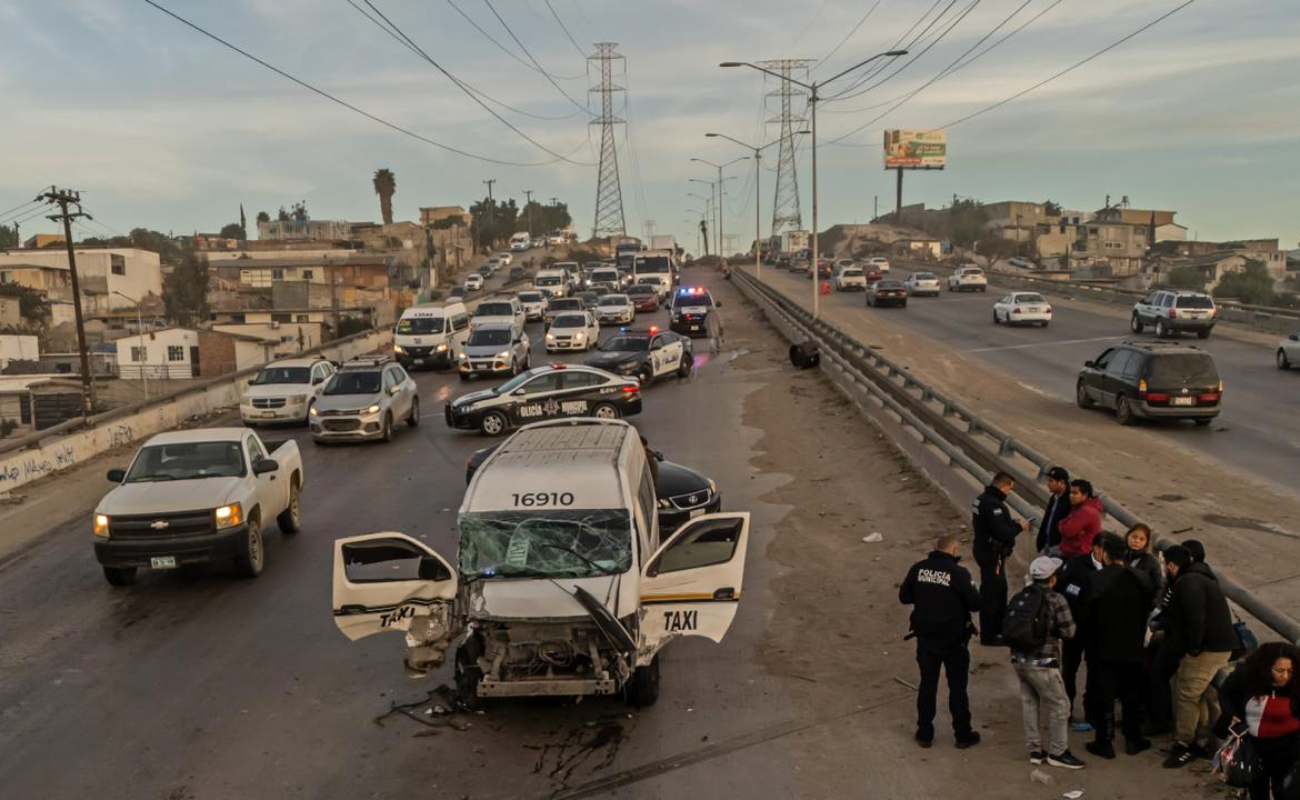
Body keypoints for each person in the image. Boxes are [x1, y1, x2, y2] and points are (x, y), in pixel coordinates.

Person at [899, 535, 982, 749]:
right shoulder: (959, 573)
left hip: (926, 639)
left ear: (935, 548)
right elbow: (975, 604)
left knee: (927, 685)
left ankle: (925, 733)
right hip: (954, 640)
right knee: (957, 688)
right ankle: (962, 734)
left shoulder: (918, 568)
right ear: (954, 550)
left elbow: (904, 597)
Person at [1163, 544, 1239, 768]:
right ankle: (1202, 740)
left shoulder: (1188, 582)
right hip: (1217, 647)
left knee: (1187, 695)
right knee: (1202, 694)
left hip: (1206, 650)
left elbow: (1196, 619)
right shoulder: (1201, 576)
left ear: (1171, 565)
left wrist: (1194, 649)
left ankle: (1184, 743)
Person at [1008, 555, 1086, 770]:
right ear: (1052, 579)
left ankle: (1035, 750)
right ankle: (1058, 752)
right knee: (1061, 706)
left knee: (1030, 703)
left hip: (1019, 659)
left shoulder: (1021, 596)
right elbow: (1069, 632)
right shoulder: (1056, 599)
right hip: (1043, 662)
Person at [1084, 533, 1156, 759]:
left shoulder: (1096, 580)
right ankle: (1133, 739)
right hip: (1133, 647)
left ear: (1104, 553)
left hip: (1103, 648)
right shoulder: (1141, 578)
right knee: (1131, 694)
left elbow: (1086, 615)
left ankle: (1104, 741)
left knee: (1105, 694)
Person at [1215, 642, 1300, 800]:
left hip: (1287, 746)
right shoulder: (1246, 676)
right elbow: (1225, 692)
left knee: (1283, 789)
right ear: (1265, 668)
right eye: (1279, 670)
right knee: (1256, 788)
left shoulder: (1296, 683)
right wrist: (1231, 713)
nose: (1285, 676)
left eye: (1290, 671)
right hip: (1253, 746)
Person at [971, 472, 1030, 646]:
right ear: (1003, 486)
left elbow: (993, 525)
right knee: (993, 594)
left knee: (998, 590)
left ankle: (996, 630)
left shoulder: (982, 499)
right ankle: (990, 635)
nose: (1009, 492)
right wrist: (1019, 527)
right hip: (992, 554)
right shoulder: (994, 504)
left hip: (985, 550)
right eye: (1010, 489)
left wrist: (1011, 523)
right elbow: (1002, 533)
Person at [1055, 534, 1105, 731]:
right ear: (1095, 548)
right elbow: (1060, 587)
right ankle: (1065, 711)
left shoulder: (1112, 569)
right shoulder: (1076, 564)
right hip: (1074, 629)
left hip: (1097, 631)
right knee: (1069, 669)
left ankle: (1091, 713)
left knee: (1094, 672)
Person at [1058, 479, 1104, 560]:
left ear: (1085, 495)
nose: (1071, 496)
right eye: (1070, 493)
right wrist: (1064, 524)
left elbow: (1067, 531)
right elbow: (1064, 524)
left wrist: (1063, 524)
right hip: (1074, 553)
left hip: (1079, 555)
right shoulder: (1079, 507)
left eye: (1075, 493)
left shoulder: (1086, 511)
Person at [1123, 523, 1164, 602]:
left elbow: (1160, 586)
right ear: (1127, 536)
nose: (1137, 541)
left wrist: (1153, 604)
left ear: (1146, 542)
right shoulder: (1118, 554)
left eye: (1141, 539)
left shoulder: (1151, 561)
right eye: (1134, 537)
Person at [1036, 466, 1071, 555]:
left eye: (1051, 481)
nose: (1048, 484)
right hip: (1047, 543)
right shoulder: (1054, 497)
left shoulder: (1069, 502)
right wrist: (1040, 541)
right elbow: (1047, 520)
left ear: (1061, 482)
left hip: (1059, 549)